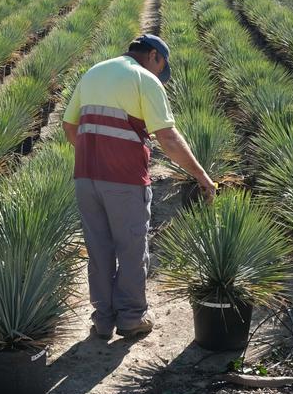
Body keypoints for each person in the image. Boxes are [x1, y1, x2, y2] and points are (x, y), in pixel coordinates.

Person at [63, 34, 216, 341]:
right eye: (161, 68)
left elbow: (69, 126)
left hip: (86, 179)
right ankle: (132, 317)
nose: (159, 74)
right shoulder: (144, 79)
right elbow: (168, 139)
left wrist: (96, 153)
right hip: (124, 180)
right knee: (132, 249)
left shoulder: (94, 72)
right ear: (154, 57)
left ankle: (103, 321)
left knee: (99, 250)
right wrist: (202, 177)